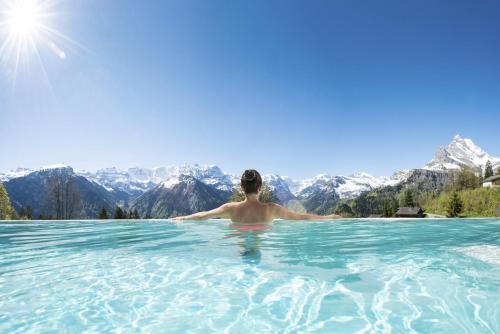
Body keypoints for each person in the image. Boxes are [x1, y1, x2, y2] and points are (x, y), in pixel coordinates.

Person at [173, 169, 342, 223]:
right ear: (260, 187)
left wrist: (182, 218)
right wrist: (329, 216)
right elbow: (302, 217)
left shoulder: (230, 208)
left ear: (242, 187)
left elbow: (203, 215)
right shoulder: (272, 209)